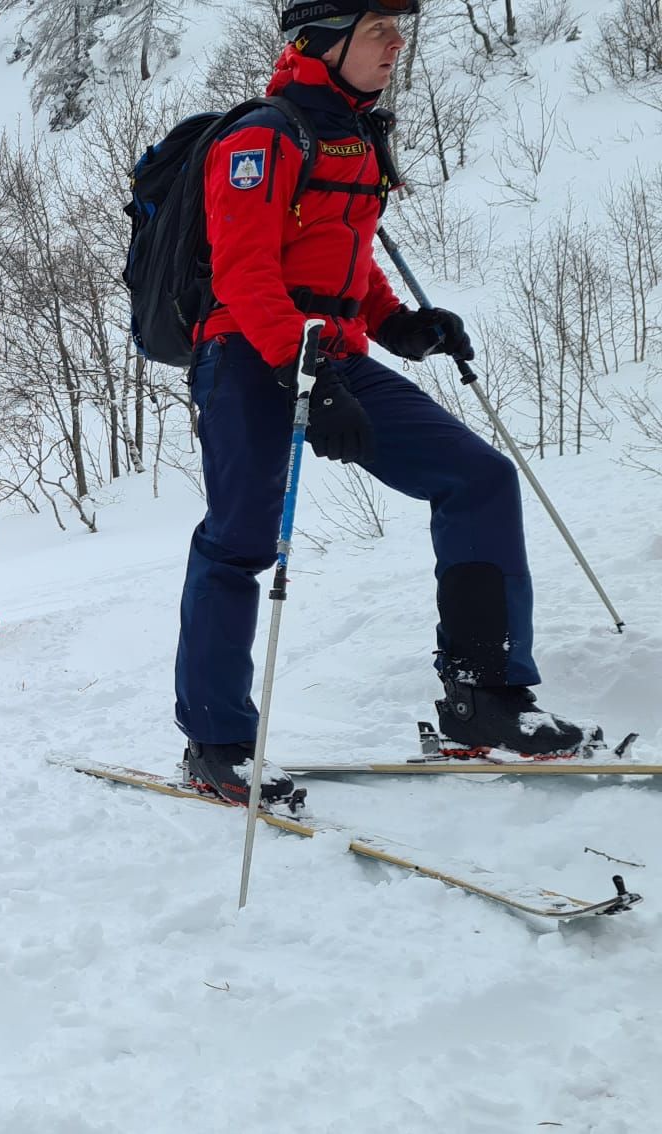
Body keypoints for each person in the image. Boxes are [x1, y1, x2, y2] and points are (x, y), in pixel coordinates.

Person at [174, 0, 592, 804]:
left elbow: (345, 260)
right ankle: (215, 741)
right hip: (245, 354)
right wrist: (310, 376)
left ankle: (484, 698)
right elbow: (246, 273)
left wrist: (397, 322)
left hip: (328, 354)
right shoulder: (261, 135)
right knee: (238, 542)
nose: (396, 44)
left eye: (398, 30)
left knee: (477, 477)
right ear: (323, 44)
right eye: (377, 31)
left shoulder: (358, 137)